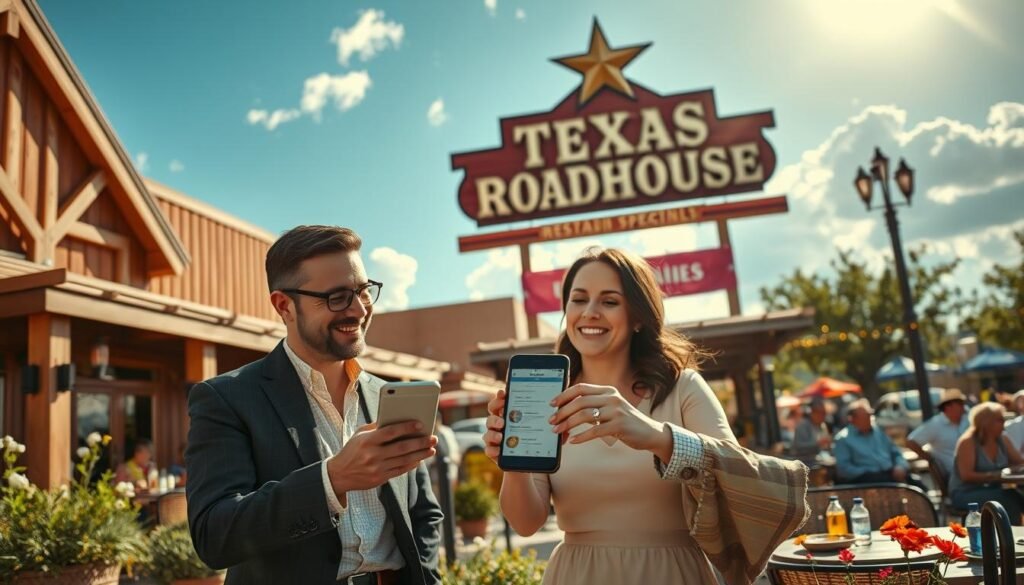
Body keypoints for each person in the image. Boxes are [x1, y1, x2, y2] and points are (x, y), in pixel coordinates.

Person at [482, 248, 808, 585]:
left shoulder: (683, 387)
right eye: (579, 300)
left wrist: (655, 435)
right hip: (577, 575)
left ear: (638, 316)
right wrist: (515, 463)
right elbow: (525, 523)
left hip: (674, 573)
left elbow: (737, 476)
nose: (590, 312)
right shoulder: (550, 399)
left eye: (609, 301)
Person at [186, 225, 442, 585]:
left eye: (363, 291)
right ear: (284, 305)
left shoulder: (386, 395)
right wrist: (332, 479)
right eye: (337, 297)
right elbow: (215, 534)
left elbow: (423, 514)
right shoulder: (226, 399)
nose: (358, 309)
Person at [950, 402, 1024, 525]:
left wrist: (1012, 470)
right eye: (1000, 420)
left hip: (994, 490)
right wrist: (995, 476)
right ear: (986, 422)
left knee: (1017, 495)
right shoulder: (968, 442)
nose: (1004, 424)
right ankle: (1009, 539)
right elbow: (966, 475)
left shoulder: (1002, 438)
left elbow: (1020, 462)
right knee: (1011, 499)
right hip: (966, 493)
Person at [832, 399, 927, 491]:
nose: (869, 418)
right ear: (853, 419)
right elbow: (844, 469)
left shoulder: (878, 431)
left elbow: (896, 452)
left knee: (919, 487)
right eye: (865, 416)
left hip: (890, 473)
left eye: (870, 415)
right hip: (867, 480)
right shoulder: (843, 439)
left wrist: (900, 466)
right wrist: (868, 472)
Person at [905, 388, 969, 483]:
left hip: (972, 469)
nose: (963, 407)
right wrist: (930, 460)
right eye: (959, 404)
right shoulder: (935, 424)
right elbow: (911, 442)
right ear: (948, 407)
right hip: (954, 475)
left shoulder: (967, 420)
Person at [790, 399, 831, 466]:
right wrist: (818, 443)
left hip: (818, 459)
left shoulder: (822, 425)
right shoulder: (802, 425)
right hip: (803, 462)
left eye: (824, 413)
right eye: (821, 413)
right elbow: (798, 446)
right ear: (813, 413)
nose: (823, 416)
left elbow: (825, 446)